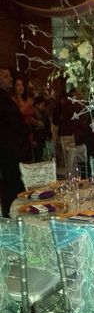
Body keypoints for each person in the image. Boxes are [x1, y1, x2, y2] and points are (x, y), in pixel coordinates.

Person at [0, 67, 31, 217]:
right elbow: (16, 123)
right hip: (10, 151)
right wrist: (27, 131)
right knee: (13, 187)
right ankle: (14, 218)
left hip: (10, 150)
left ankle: (13, 216)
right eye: (6, 77)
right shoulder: (3, 99)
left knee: (12, 185)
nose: (10, 79)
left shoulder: (6, 97)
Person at [31, 96, 53, 162]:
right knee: (37, 159)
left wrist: (49, 136)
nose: (43, 107)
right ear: (36, 105)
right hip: (36, 141)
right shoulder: (32, 116)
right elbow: (30, 129)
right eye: (42, 105)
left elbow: (48, 127)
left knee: (46, 158)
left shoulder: (45, 115)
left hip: (44, 140)